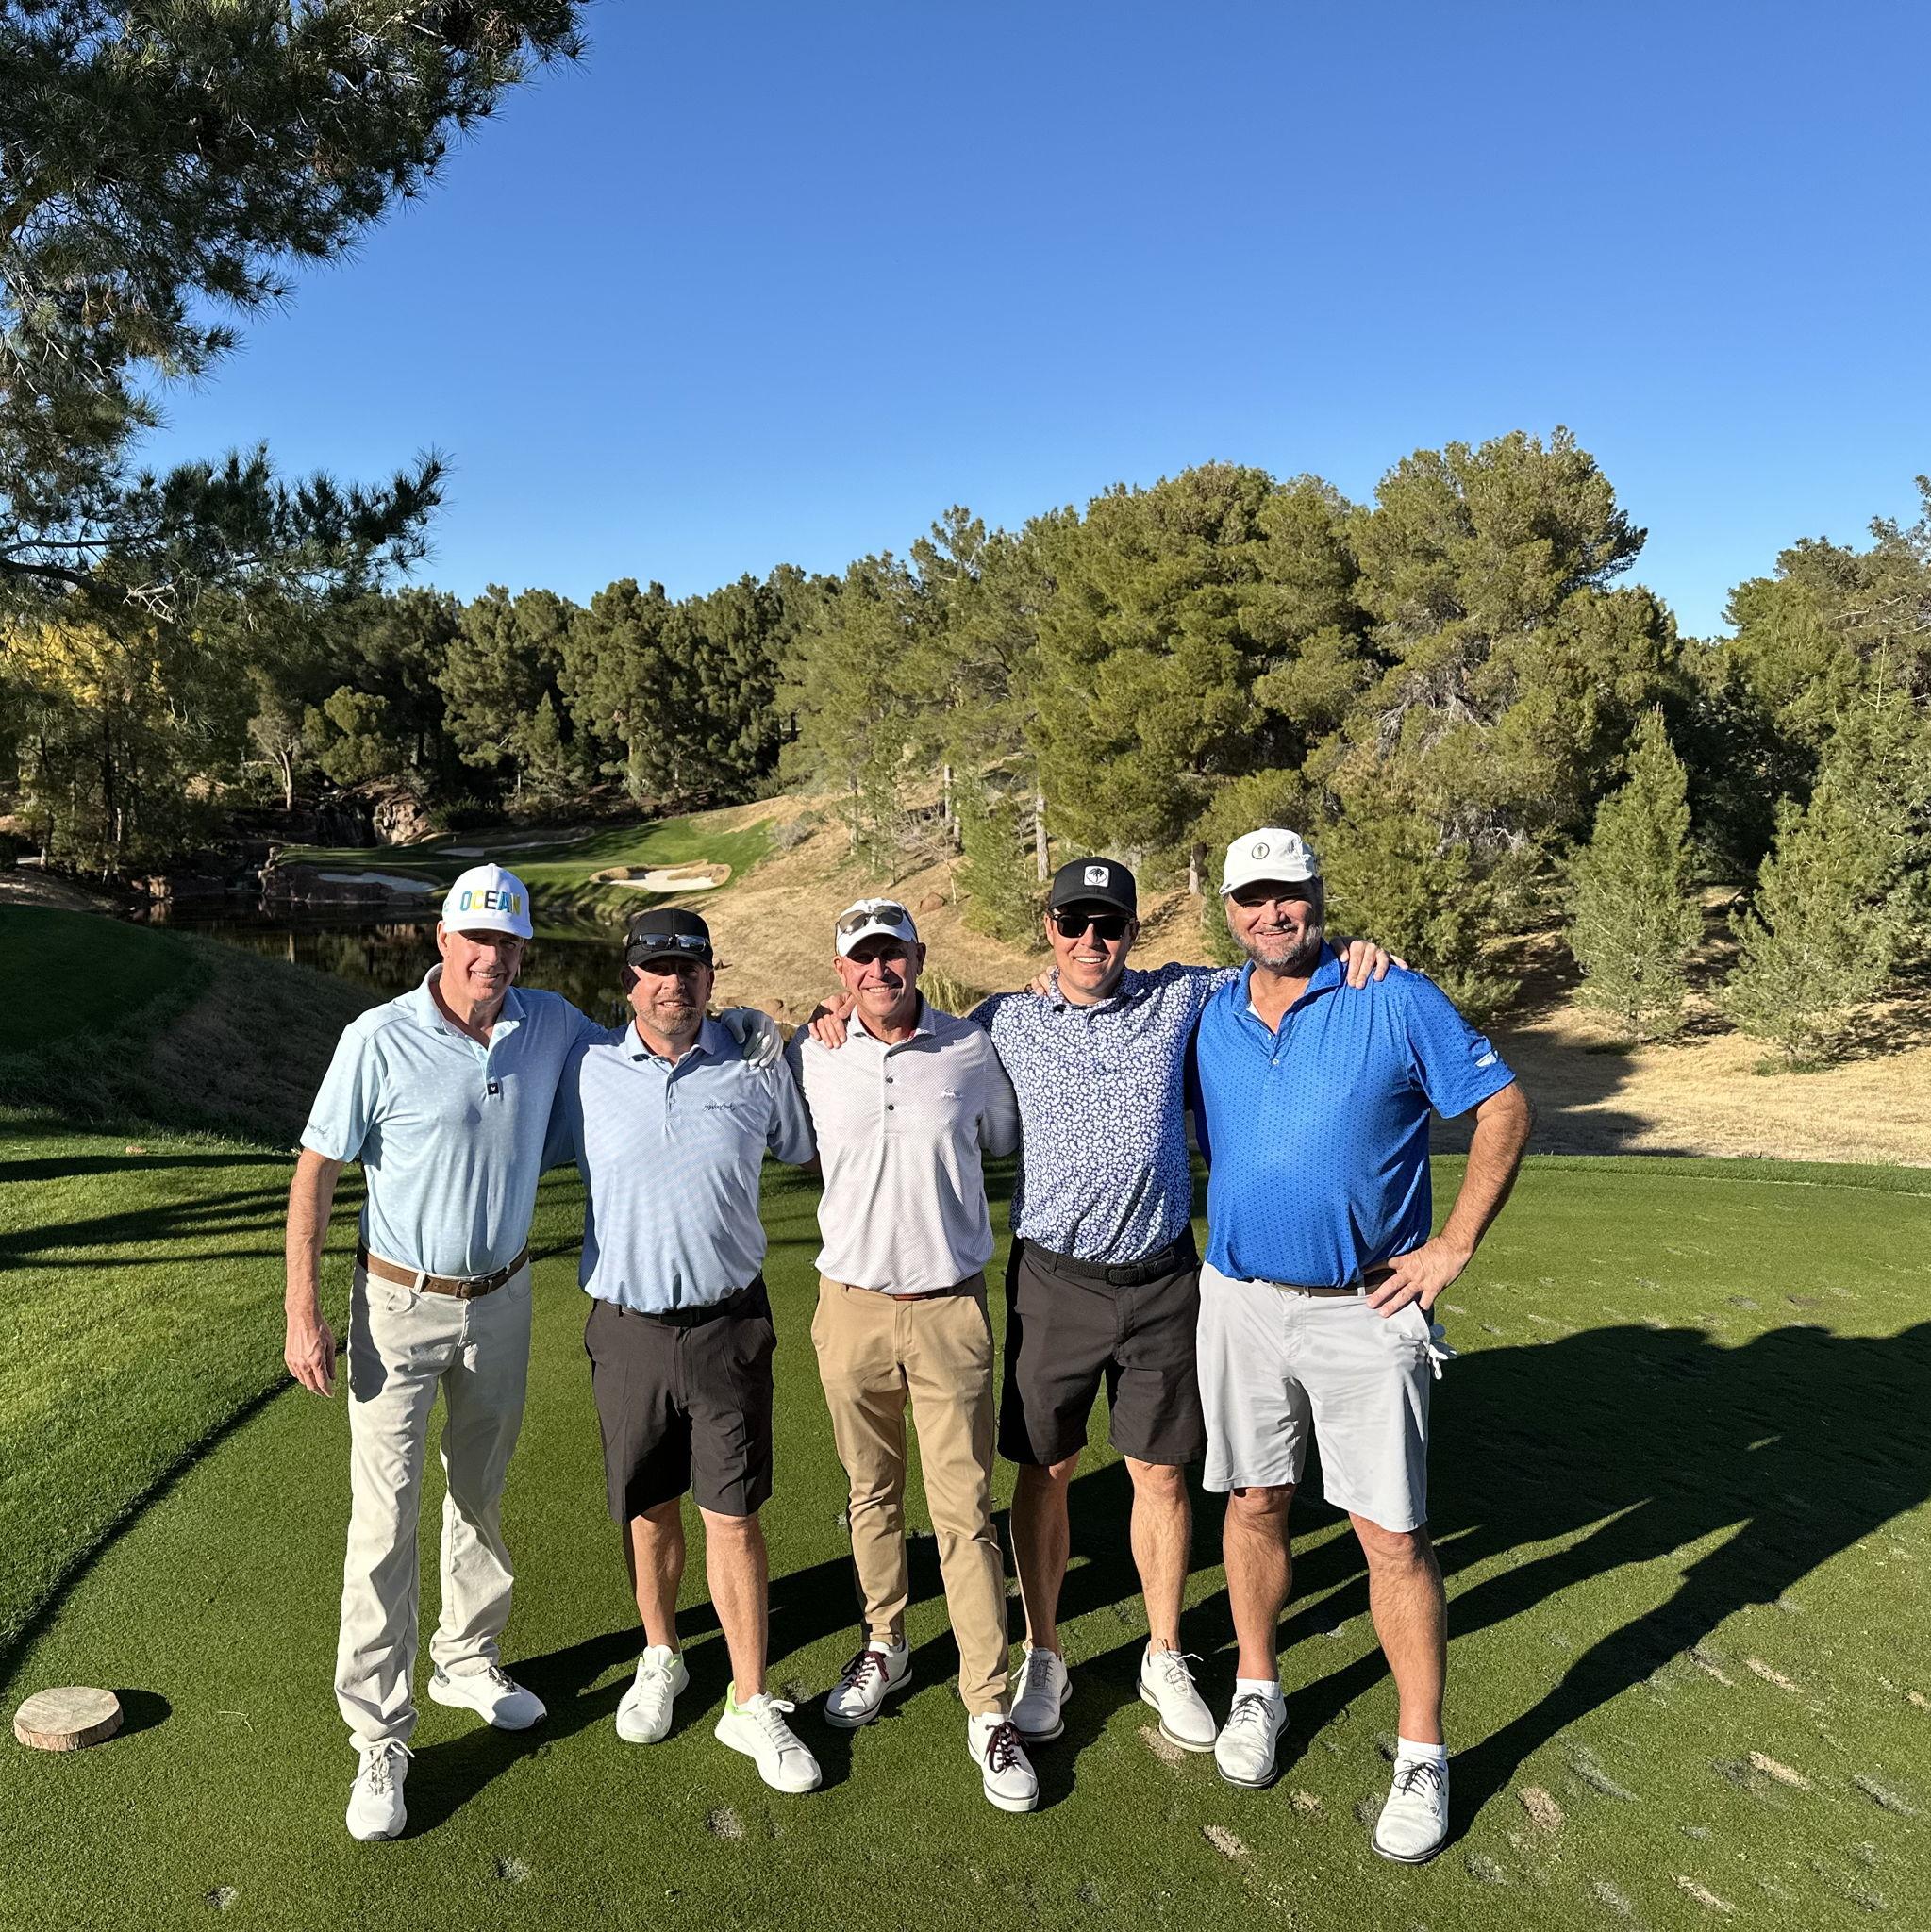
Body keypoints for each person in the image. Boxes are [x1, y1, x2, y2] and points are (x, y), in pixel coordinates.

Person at [807, 861, 1389, 1758]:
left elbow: (1274, 958)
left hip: (1160, 1281)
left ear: (1129, 932)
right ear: (1047, 928)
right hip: (1054, 1282)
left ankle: (1163, 1653)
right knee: (1044, 1469)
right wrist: (832, 1014)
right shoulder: (1003, 1020)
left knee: (1157, 1474)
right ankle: (1044, 1652)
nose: (1090, 942)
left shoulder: (1179, 1000)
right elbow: (905, 1039)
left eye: (1107, 924)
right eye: (1073, 923)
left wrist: (1343, 947)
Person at [284, 864, 778, 1842]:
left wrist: (756, 1026)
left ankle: (468, 1656)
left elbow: (657, 1042)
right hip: (395, 1300)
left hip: (501, 1297)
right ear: (440, 938)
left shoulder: (550, 1023)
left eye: (507, 943)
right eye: (475, 939)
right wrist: (303, 1305)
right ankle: (380, 1733)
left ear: (523, 950)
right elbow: (316, 1170)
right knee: (383, 1520)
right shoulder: (377, 1036)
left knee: (480, 1491)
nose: (489, 958)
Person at [1191, 828, 1532, 1863]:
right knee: (1253, 1500)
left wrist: (1451, 1245)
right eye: (1250, 898)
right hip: (1240, 1297)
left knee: (1390, 1534)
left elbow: (1503, 1102)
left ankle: (1421, 1750)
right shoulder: (1205, 1007)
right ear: (1228, 909)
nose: (1270, 913)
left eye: (1287, 894)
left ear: (1317, 894)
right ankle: (1258, 1686)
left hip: (1366, 1308)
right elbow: (1091, 985)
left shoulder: (1392, 992)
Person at [546, 908, 820, 1794]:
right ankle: (659, 1652)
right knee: (648, 1502)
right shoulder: (584, 1069)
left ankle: (748, 1700)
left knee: (732, 1513)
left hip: (728, 1326)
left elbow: (807, 1143)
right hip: (625, 1327)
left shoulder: (751, 1061)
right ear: (628, 979)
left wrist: (812, 1031)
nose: (675, 984)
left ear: (712, 977)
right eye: (657, 968)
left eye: (691, 968)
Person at [785, 899, 1037, 1812]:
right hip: (848, 1309)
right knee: (869, 1493)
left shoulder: (970, 1048)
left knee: (964, 1511)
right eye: (863, 958)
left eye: (893, 955)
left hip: (948, 1311)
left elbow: (1003, 1140)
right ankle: (883, 1641)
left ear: (918, 958)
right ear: (842, 969)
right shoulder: (811, 1050)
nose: (879, 971)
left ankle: (986, 1702)